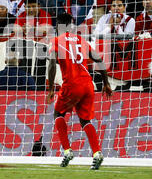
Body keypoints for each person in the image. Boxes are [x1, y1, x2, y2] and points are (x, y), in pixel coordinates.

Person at [47, 12, 113, 170]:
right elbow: (99, 60)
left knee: (58, 113)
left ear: (58, 25)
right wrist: (106, 83)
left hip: (71, 84)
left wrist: (50, 88)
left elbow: (51, 64)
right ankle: (97, 153)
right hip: (88, 85)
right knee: (85, 121)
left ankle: (67, 151)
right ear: (72, 25)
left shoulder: (56, 41)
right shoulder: (82, 41)